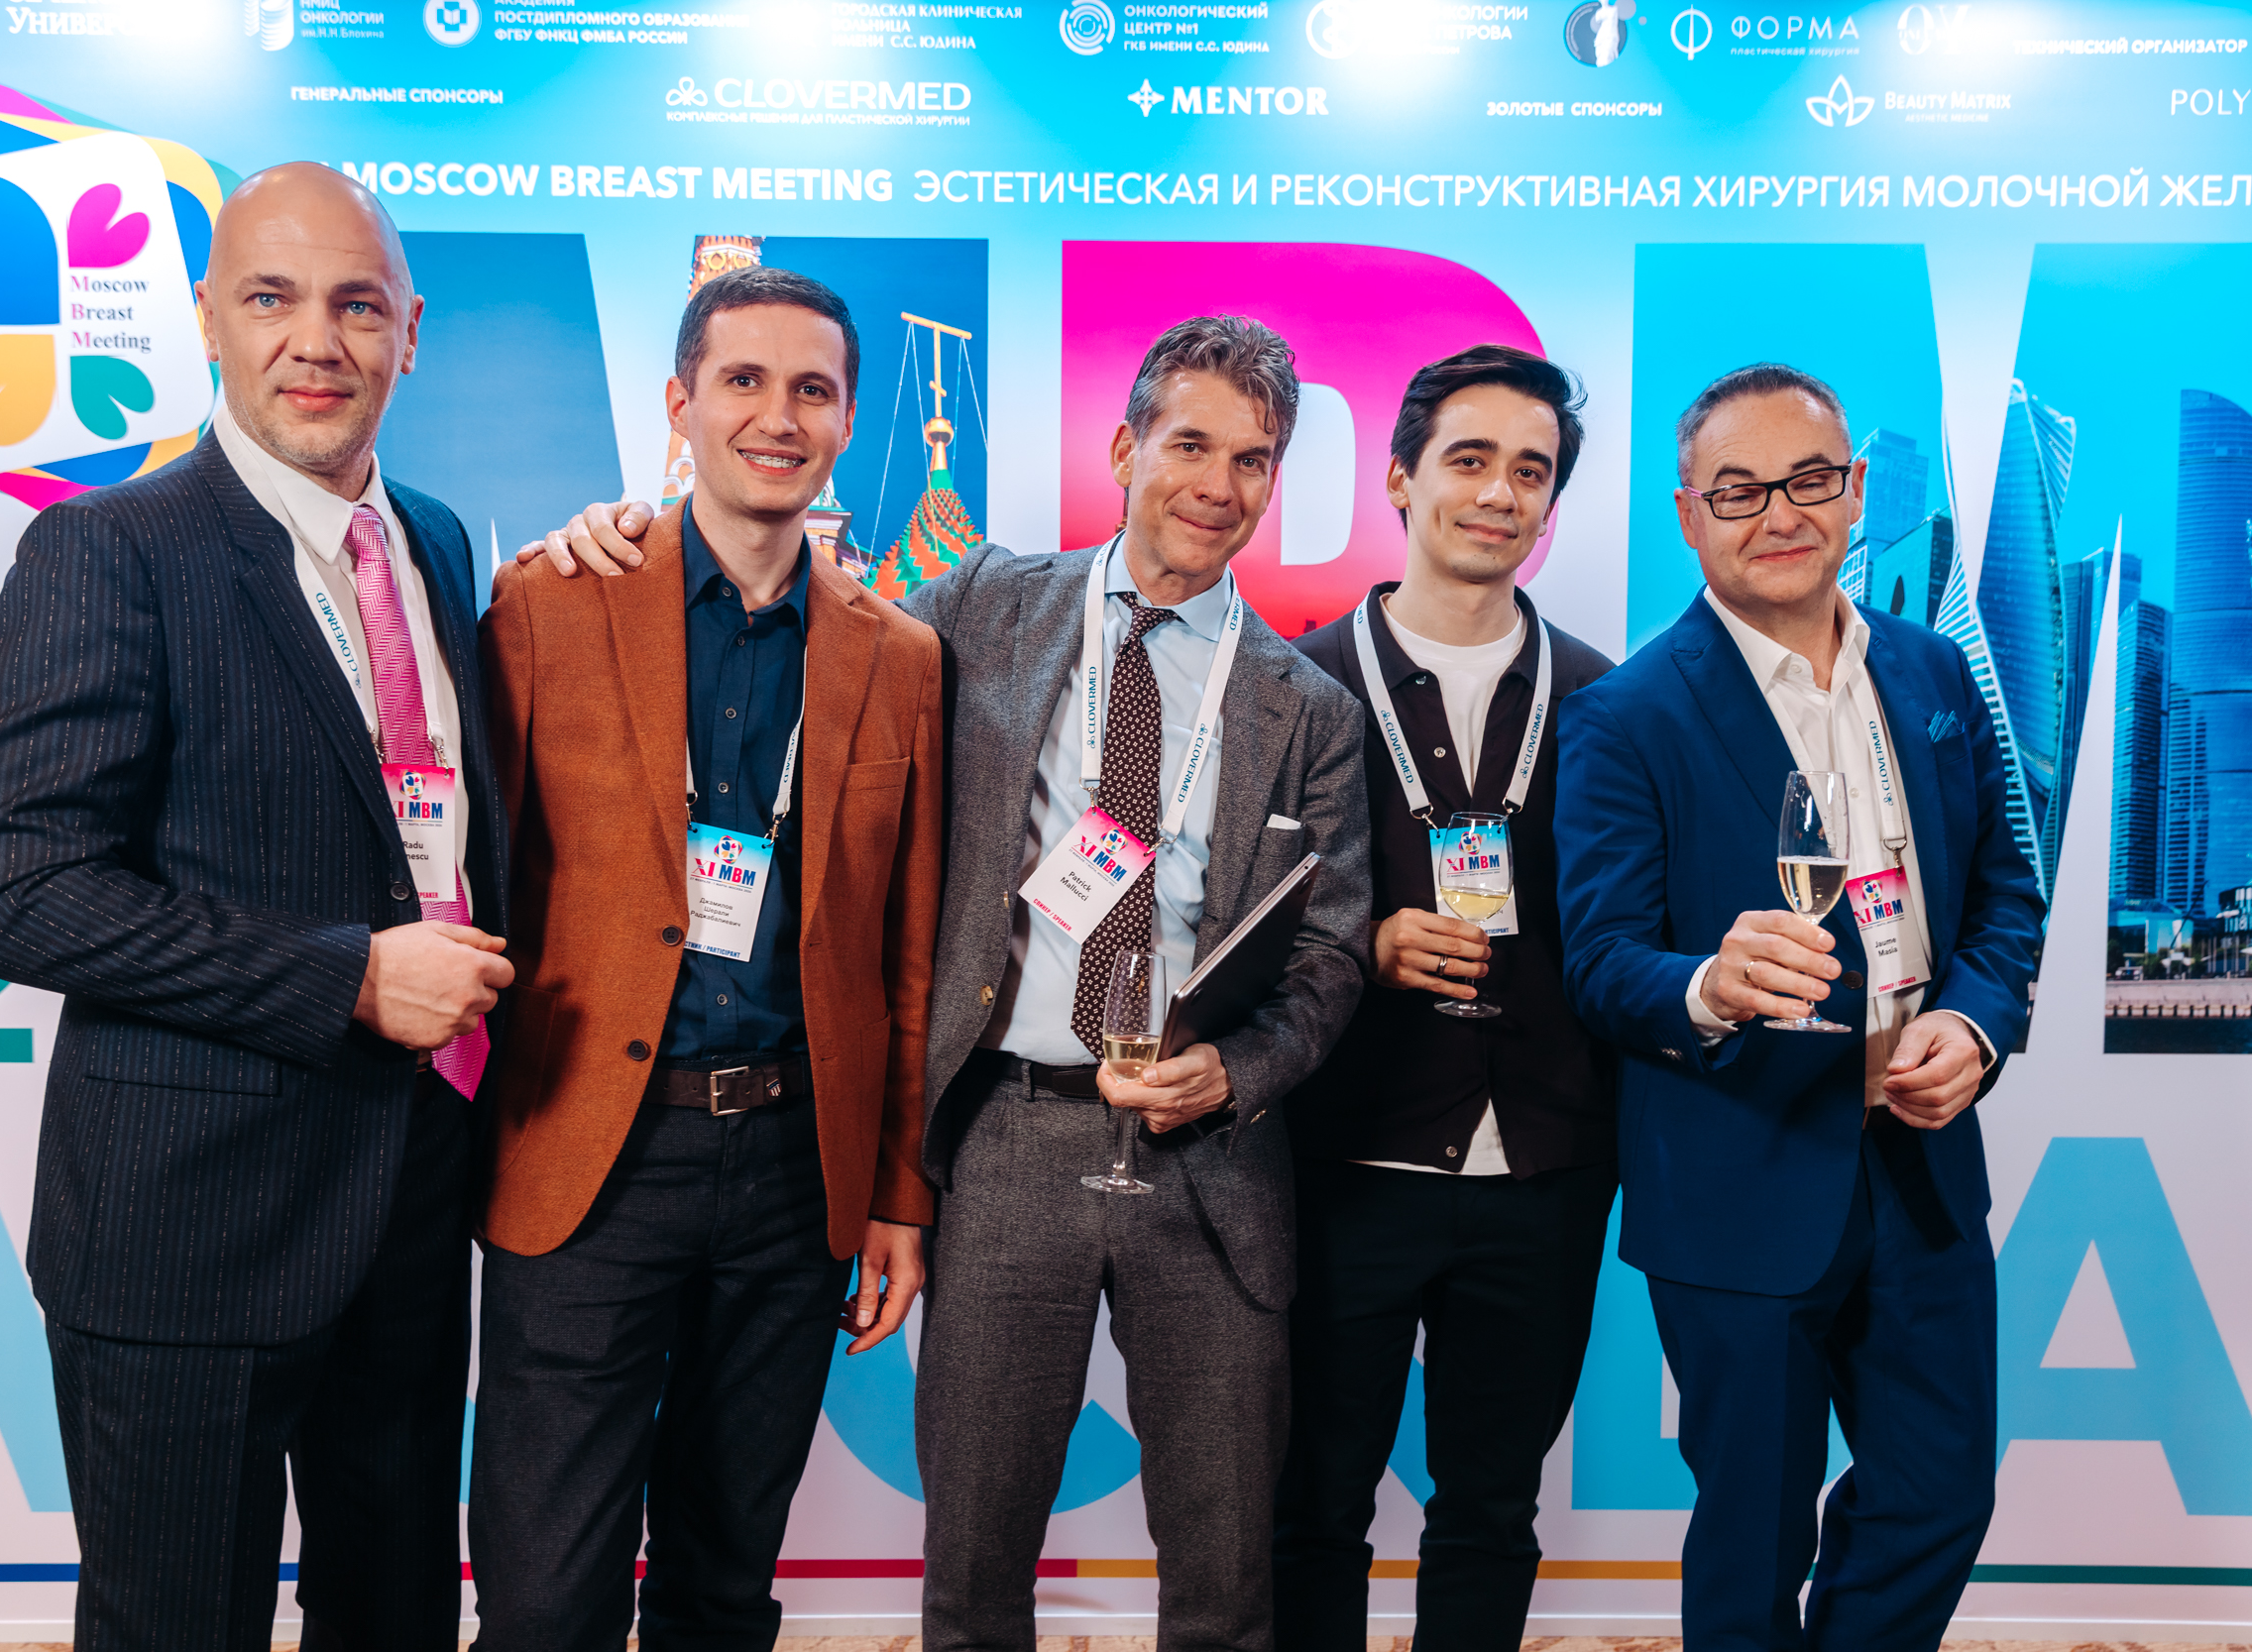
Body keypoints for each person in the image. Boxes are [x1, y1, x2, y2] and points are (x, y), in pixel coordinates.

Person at [521, 314, 1372, 1652]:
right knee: (971, 1582)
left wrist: (1238, 1071)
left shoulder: (1306, 705)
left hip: (1209, 1162)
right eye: (1190, 445)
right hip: (1005, 1143)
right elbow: (792, 623)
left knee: (1226, 1586)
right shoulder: (980, 607)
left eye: (1253, 460)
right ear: (1124, 449)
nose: (1218, 485)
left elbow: (1330, 953)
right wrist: (622, 536)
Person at [0, 162, 508, 1650]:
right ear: (208, 317)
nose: (315, 341)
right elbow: (15, 889)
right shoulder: (108, 550)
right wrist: (346, 978)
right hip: (184, 1230)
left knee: (393, 1618)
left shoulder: (441, 541)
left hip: (410, 1207)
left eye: (357, 305)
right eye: (271, 298)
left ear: (410, 333)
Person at [467, 264, 944, 1652]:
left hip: (796, 1171)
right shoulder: (550, 600)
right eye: (743, 381)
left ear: (847, 419)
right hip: (588, 1155)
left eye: (813, 390)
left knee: (725, 1585)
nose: (777, 417)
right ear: (679, 403)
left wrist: (898, 1191)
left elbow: (907, 958)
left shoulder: (901, 657)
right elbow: (475, 882)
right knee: (544, 1599)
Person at [1552, 364, 2045, 1652]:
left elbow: (2006, 896)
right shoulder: (1626, 716)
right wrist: (1707, 986)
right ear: (1689, 516)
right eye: (1739, 490)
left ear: (1856, 490)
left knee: (1941, 1495)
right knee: (1756, 1532)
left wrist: (1974, 1025)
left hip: (1922, 1169)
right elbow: (1600, 959)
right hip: (1738, 1176)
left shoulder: (1936, 676)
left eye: (1809, 480)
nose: (1780, 513)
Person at [1274, 344, 1618, 1652]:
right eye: (1469, 460)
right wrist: (1358, 945)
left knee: (1491, 1510)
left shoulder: (1606, 699)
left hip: (1544, 1168)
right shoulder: (1294, 686)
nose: (1498, 493)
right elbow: (1215, 925)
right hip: (1341, 1161)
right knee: (1312, 1509)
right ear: (1401, 478)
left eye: (1531, 471)